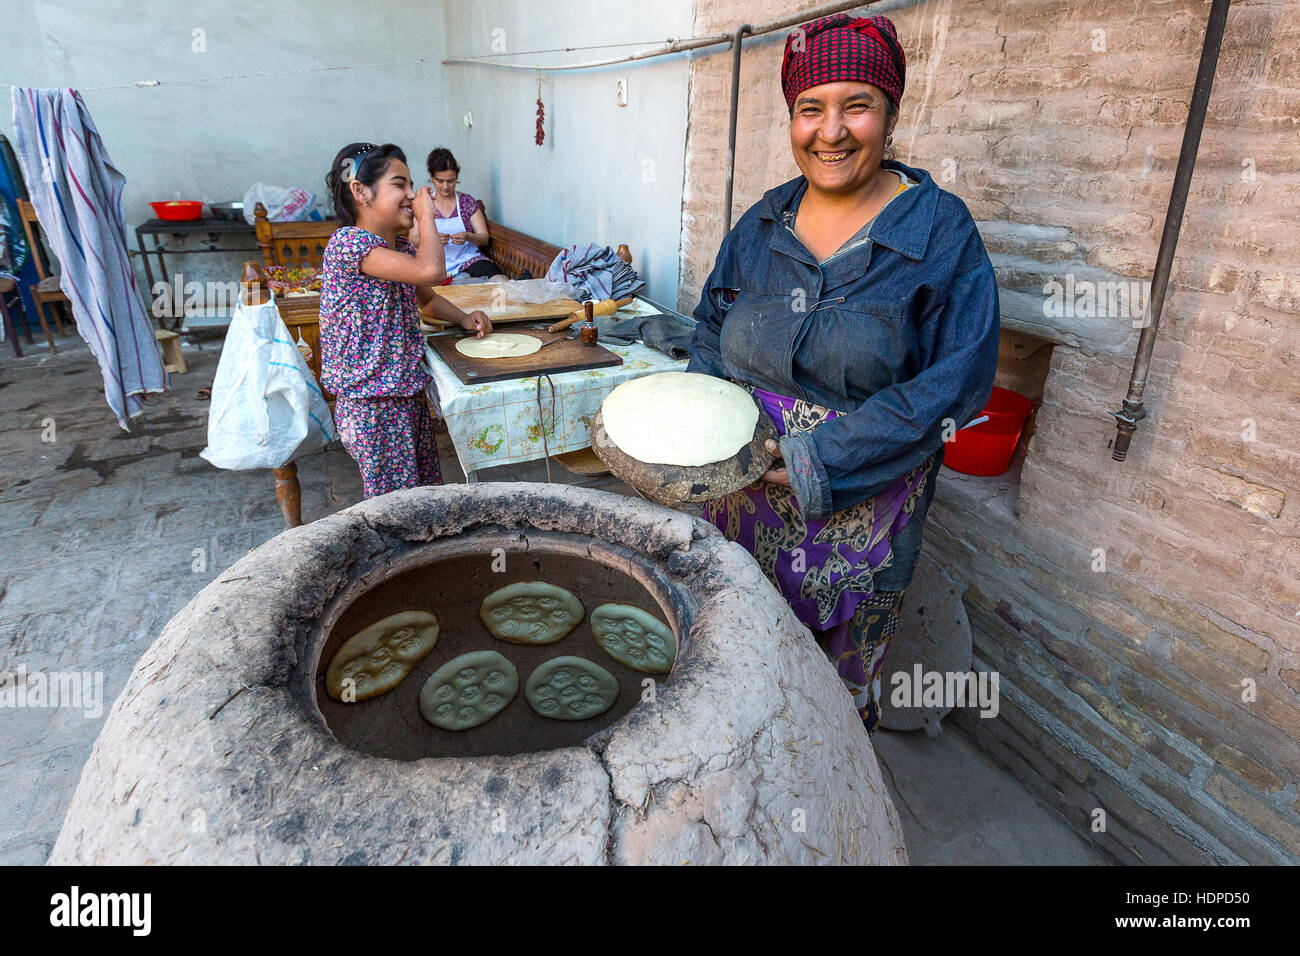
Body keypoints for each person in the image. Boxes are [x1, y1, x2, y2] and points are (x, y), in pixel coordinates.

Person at [688, 14, 1000, 732]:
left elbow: (955, 385)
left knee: (822, 697)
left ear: (891, 112)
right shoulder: (763, 224)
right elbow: (711, 324)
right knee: (734, 647)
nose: (831, 131)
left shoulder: (939, 233)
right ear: (792, 118)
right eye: (810, 109)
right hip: (741, 493)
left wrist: (814, 459)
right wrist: (706, 421)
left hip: (865, 504)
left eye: (855, 105)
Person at [320, 142, 492, 498]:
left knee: (423, 498)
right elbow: (431, 271)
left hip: (405, 395)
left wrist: (462, 318)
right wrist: (427, 215)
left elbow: (426, 299)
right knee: (398, 511)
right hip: (373, 403)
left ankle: (432, 553)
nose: (412, 195)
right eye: (400, 184)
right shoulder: (348, 244)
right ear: (361, 192)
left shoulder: (400, 250)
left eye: (412, 186)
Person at [424, 147, 504, 283]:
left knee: (498, 278)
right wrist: (433, 240)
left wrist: (468, 236)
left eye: (451, 181)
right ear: (432, 178)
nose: (446, 186)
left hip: (467, 260)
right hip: (434, 263)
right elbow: (413, 239)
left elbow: (484, 238)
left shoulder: (467, 202)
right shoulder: (424, 203)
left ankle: (511, 291)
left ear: (457, 178)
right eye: (440, 181)